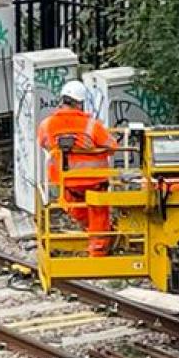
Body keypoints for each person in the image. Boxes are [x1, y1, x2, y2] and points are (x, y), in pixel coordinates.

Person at [36, 81, 119, 256]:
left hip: (67, 182)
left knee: (77, 210)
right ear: (80, 103)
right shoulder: (92, 125)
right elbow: (112, 146)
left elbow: (43, 143)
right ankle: (98, 252)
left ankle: (95, 235)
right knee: (98, 214)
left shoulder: (47, 124)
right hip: (95, 181)